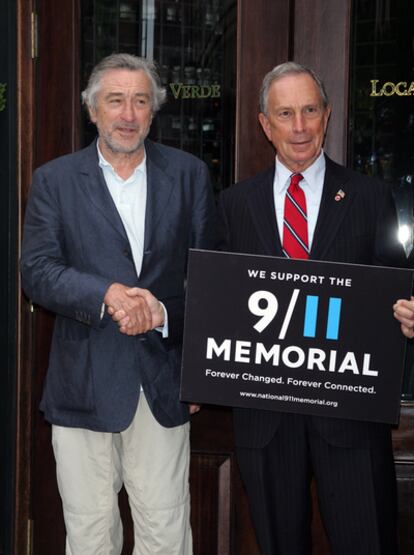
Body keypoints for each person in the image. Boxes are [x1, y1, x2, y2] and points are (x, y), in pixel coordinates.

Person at [21, 53, 215, 555]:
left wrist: (168, 321)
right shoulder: (54, 181)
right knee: (88, 535)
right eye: (115, 101)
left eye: (140, 101)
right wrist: (104, 294)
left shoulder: (190, 175)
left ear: (153, 112)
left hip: (163, 379)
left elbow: (210, 279)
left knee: (167, 533)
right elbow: (36, 272)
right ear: (93, 110)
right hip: (82, 383)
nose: (128, 114)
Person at [217, 61, 410, 554]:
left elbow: (395, 284)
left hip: (349, 414)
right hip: (266, 416)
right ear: (265, 124)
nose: (299, 127)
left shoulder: (369, 197)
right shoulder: (235, 206)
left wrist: (409, 310)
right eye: (285, 113)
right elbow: (218, 302)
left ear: (326, 115)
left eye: (309, 111)